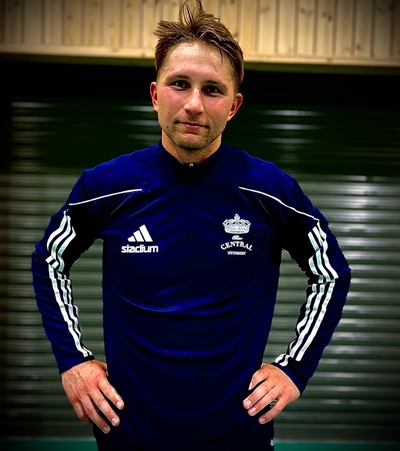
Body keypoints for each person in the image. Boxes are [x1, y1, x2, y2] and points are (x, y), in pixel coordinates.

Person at [31, 1, 351, 449]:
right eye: (179, 84)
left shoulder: (270, 190)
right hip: (128, 435)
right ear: (155, 94)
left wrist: (294, 368)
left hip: (239, 437)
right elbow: (48, 259)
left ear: (234, 106)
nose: (194, 104)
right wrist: (73, 361)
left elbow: (332, 273)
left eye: (213, 90)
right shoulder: (106, 185)